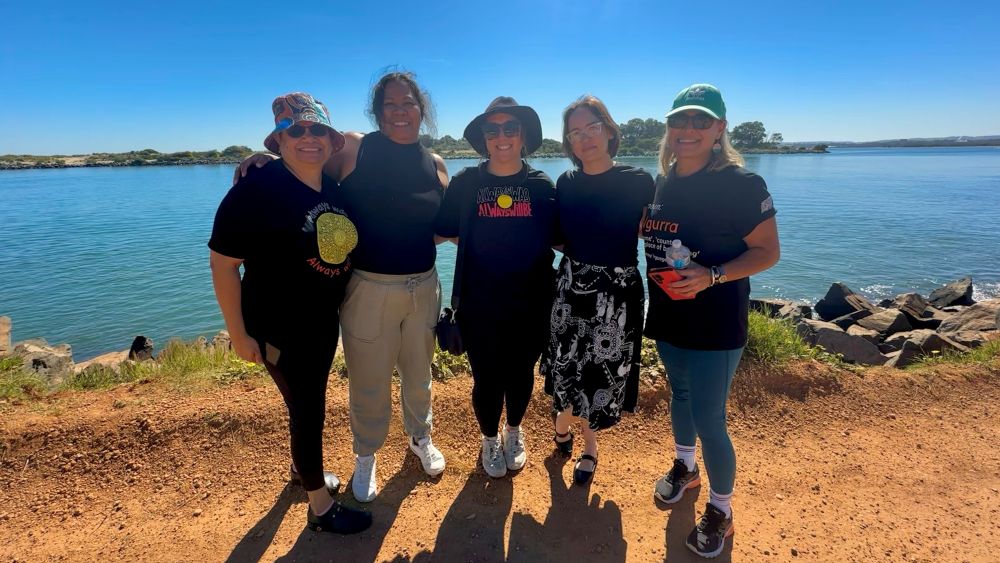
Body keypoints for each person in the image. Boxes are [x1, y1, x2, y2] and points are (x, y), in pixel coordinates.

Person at [236, 72, 449, 503]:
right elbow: (303, 163)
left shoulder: (437, 163)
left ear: (420, 109)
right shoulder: (354, 147)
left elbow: (444, 228)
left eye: (407, 102)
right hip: (368, 287)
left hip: (424, 284)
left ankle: (419, 437)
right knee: (368, 381)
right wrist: (260, 163)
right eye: (389, 104)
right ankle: (366, 455)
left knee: (419, 373)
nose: (399, 111)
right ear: (378, 111)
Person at [209, 92, 371, 534]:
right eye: (294, 131)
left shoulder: (333, 188)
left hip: (321, 322)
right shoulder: (256, 189)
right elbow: (224, 264)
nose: (307, 138)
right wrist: (238, 335)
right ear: (278, 140)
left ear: (330, 139)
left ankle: (304, 472)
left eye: (317, 130)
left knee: (303, 405)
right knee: (308, 410)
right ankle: (319, 506)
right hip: (278, 325)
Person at [644, 84, 780, 558]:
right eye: (679, 120)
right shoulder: (663, 182)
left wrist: (714, 275)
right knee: (679, 396)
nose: (688, 130)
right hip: (667, 317)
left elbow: (768, 252)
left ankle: (721, 509)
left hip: (717, 325)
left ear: (720, 128)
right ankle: (686, 468)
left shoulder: (741, 185)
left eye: (701, 121)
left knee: (710, 418)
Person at [435, 97, 557, 478]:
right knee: (486, 379)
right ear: (484, 139)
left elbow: (560, 237)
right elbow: (441, 230)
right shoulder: (466, 183)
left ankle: (513, 431)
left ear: (523, 136)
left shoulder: (541, 185)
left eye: (511, 129)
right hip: (479, 302)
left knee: (521, 374)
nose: (502, 137)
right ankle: (489, 439)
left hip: (532, 301)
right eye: (493, 130)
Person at [540, 95, 654, 485]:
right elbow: (556, 236)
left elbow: (656, 231)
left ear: (608, 130)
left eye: (592, 128)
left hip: (618, 292)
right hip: (572, 287)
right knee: (565, 365)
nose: (584, 137)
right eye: (575, 132)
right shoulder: (565, 183)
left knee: (599, 374)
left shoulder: (640, 180)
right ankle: (562, 426)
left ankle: (588, 447)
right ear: (569, 142)